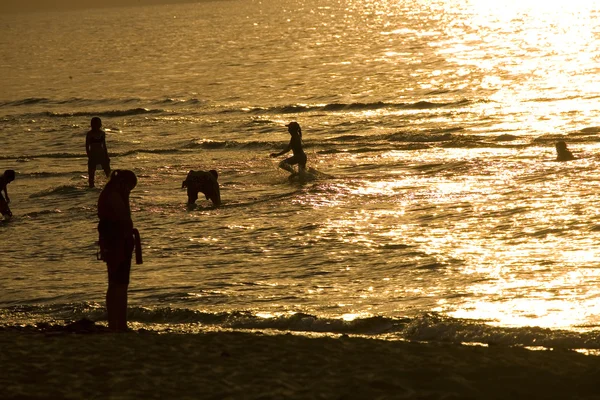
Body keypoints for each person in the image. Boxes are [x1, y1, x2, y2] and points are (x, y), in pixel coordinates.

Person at [97, 169, 141, 332]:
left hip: (112, 243)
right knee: (120, 285)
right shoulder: (114, 196)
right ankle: (120, 324)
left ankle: (113, 323)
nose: (129, 192)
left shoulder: (108, 193)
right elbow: (125, 217)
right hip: (117, 244)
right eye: (129, 188)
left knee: (114, 284)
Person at [86, 117, 111, 188]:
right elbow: (87, 146)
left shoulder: (102, 133)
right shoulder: (89, 134)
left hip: (101, 154)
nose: (97, 125)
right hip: (93, 155)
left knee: (107, 172)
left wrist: (107, 156)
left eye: (98, 124)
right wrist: (89, 156)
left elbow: (104, 146)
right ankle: (91, 187)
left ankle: (110, 186)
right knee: (91, 174)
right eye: (95, 124)